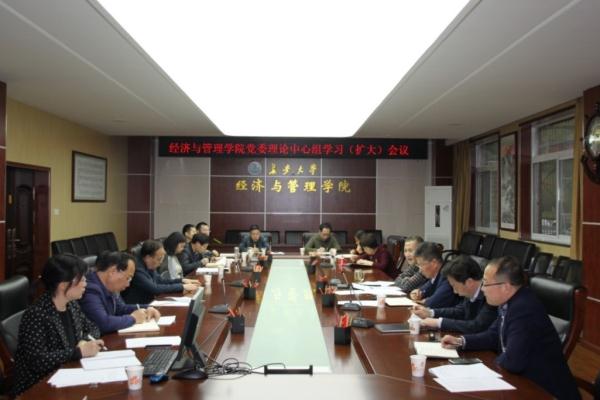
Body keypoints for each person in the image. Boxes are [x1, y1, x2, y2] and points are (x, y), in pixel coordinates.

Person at [441, 256, 580, 399]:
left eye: (486, 284)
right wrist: (461, 341)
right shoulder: (510, 302)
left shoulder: (524, 309)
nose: (482, 289)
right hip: (521, 383)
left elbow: (513, 361)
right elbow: (492, 335)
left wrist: (478, 370)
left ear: (505, 287)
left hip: (544, 391)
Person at [11, 254, 103, 396]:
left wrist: (84, 341)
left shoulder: (71, 304)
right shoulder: (36, 314)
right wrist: (78, 352)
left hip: (69, 373)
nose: (86, 283)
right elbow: (37, 361)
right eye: (81, 279)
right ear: (63, 285)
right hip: (39, 386)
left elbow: (93, 328)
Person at [79, 251, 161, 334]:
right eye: (128, 278)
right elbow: (103, 323)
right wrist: (133, 318)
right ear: (113, 272)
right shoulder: (90, 290)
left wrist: (147, 308)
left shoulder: (109, 286)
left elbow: (120, 309)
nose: (128, 284)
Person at [412, 255, 497, 333]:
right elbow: (460, 311)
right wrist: (430, 313)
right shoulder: (470, 291)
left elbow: (476, 326)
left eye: (454, 286)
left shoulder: (490, 297)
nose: (454, 291)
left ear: (469, 282)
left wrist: (439, 323)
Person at [122, 240, 200, 304]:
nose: (161, 262)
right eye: (159, 259)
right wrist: (182, 287)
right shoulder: (137, 269)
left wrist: (182, 281)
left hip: (149, 303)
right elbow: (155, 288)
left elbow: (160, 281)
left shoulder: (149, 265)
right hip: (137, 307)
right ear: (148, 258)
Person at [409, 242, 459, 308]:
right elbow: (424, 289)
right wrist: (417, 292)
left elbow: (433, 303)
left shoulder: (448, 274)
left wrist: (425, 301)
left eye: (421, 265)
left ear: (434, 263)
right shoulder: (435, 275)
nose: (420, 270)